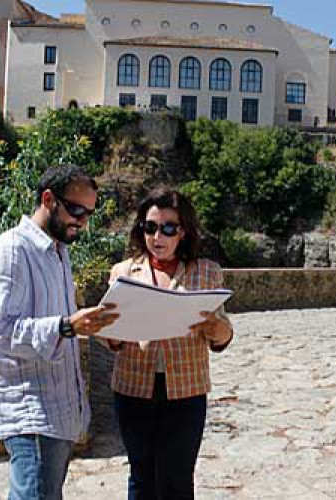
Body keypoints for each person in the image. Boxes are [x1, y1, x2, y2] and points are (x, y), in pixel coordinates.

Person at [0, 164, 120, 500]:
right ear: (48, 199)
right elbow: (3, 331)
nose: (82, 221)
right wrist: (68, 325)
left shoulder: (57, 252)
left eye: (88, 214)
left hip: (55, 412)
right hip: (31, 412)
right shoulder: (12, 251)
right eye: (76, 210)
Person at [106, 187, 234, 499]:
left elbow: (223, 337)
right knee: (142, 474)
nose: (157, 236)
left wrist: (216, 327)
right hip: (134, 387)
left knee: (177, 476)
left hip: (187, 389)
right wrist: (111, 330)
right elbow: (112, 340)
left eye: (168, 228)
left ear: (183, 232)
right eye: (150, 227)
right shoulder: (123, 273)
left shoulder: (207, 273)